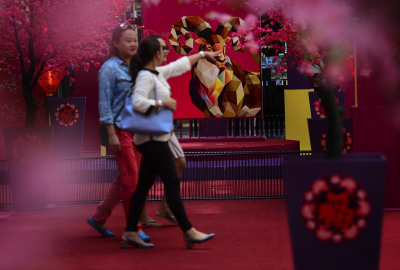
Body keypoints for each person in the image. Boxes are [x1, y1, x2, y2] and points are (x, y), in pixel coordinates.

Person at [121, 35, 220, 248]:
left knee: (144, 185)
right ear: (156, 53)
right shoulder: (147, 77)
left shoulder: (156, 73)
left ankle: (130, 231)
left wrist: (203, 54)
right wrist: (161, 103)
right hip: (152, 139)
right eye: (164, 48)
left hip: (154, 138)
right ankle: (188, 231)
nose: (166, 51)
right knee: (172, 182)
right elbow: (137, 102)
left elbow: (179, 66)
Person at [87, 24, 157, 241]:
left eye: (134, 40)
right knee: (131, 180)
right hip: (119, 130)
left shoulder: (136, 66)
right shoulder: (109, 69)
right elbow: (104, 103)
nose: (133, 44)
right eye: (128, 40)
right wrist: (111, 133)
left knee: (125, 178)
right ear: (116, 43)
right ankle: (133, 228)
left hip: (136, 130)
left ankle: (99, 218)